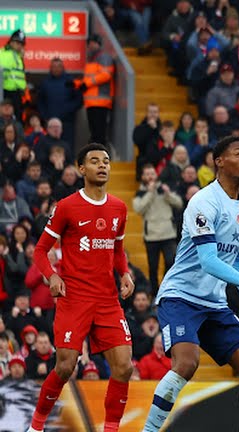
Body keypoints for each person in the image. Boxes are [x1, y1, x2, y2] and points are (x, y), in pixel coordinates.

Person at [143, 136, 239, 432]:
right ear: (219, 161)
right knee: (186, 363)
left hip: (215, 303)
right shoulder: (203, 201)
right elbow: (209, 261)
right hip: (181, 296)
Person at [28, 143, 135, 432]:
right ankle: (36, 427)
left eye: (106, 161)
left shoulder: (119, 207)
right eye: (95, 161)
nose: (102, 165)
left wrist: (124, 273)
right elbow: (40, 251)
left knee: (124, 366)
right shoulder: (66, 206)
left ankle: (110, 429)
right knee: (65, 366)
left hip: (107, 300)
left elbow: (117, 250)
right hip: (74, 298)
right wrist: (52, 276)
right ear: (81, 168)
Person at [133, 164, 184, 295]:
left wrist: (168, 194)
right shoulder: (140, 193)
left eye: (152, 173)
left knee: (171, 262)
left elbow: (179, 203)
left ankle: (167, 288)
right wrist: (150, 193)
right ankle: (155, 293)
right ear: (143, 177)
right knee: (153, 267)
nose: (150, 176)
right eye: (147, 174)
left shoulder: (164, 188)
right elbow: (138, 209)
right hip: (151, 236)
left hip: (168, 233)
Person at [74, 34, 115, 145]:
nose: (91, 46)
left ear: (99, 44)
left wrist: (86, 84)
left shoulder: (104, 57)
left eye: (93, 43)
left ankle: (101, 153)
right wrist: (76, 84)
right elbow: (88, 79)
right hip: (91, 103)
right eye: (89, 44)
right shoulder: (91, 60)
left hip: (101, 103)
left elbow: (106, 75)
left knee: (99, 134)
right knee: (94, 133)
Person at [0, 30, 26, 117]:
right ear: (11, 42)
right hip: (6, 91)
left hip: (16, 93)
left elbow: (18, 74)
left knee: (16, 119)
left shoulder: (17, 55)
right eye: (17, 43)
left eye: (22, 44)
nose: (20, 46)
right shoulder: (4, 53)